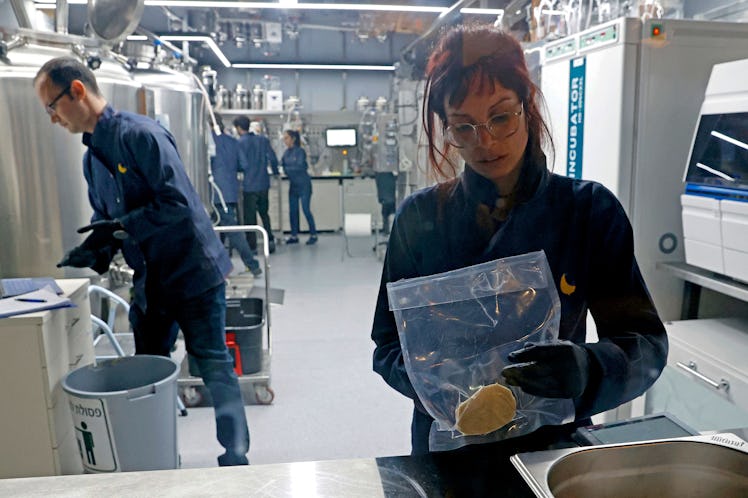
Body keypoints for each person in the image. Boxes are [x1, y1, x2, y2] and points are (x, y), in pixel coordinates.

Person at [370, 24, 668, 494]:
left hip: (552, 454)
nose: (484, 140)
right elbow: (387, 345)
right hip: (448, 457)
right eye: (463, 125)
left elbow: (645, 341)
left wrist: (590, 368)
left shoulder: (587, 211)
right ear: (445, 127)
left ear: (527, 107)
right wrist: (438, 389)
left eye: (500, 117)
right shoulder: (419, 220)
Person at [34, 57, 250, 466]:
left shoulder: (141, 136)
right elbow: (107, 218)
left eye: (52, 106)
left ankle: (235, 458)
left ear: (77, 91)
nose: (52, 119)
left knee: (213, 365)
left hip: (193, 272)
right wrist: (95, 248)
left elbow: (177, 206)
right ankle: (158, 455)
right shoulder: (92, 158)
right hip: (151, 278)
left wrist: (120, 229)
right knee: (148, 369)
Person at [209, 115, 262, 277]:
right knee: (233, 231)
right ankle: (251, 265)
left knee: (212, 232)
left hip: (210, 191)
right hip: (229, 192)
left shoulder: (203, 142)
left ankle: (221, 269)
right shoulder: (233, 142)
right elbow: (244, 165)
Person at [233, 117, 279, 254]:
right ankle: (270, 241)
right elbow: (272, 158)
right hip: (263, 183)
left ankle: (252, 247)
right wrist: (275, 172)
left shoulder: (240, 143)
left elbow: (240, 164)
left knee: (250, 218)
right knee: (264, 214)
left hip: (249, 185)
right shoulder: (263, 140)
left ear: (239, 128)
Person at [281, 129, 318, 245]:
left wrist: (288, 170)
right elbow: (283, 166)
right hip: (294, 186)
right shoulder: (286, 153)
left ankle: (313, 234)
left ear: (293, 139)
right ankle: (294, 235)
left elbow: (300, 166)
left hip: (304, 185)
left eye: (286, 138)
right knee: (293, 211)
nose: (284, 140)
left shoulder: (300, 152)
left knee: (306, 209)